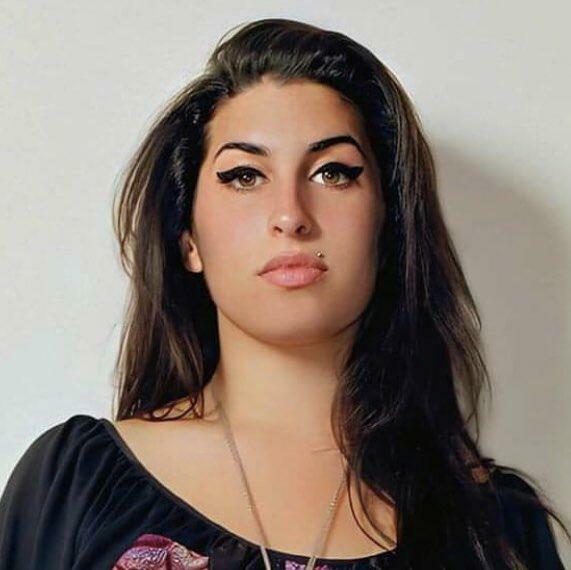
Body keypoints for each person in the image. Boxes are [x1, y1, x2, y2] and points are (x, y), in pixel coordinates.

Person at [0, 17, 568, 570]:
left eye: (333, 172)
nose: (291, 215)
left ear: (389, 226)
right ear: (188, 240)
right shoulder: (80, 483)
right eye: (244, 176)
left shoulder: (496, 526)